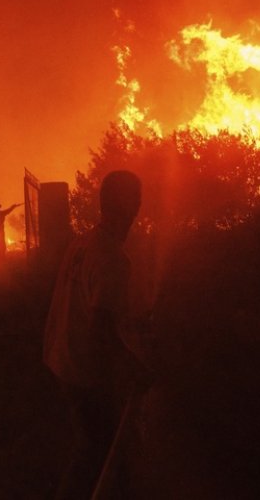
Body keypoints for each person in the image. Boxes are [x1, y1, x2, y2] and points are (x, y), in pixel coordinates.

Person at [43, 170, 152, 500]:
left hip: (60, 356)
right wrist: (135, 367)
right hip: (82, 368)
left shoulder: (83, 241)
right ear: (130, 205)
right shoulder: (113, 259)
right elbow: (102, 329)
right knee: (97, 451)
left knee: (94, 445)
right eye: (137, 199)